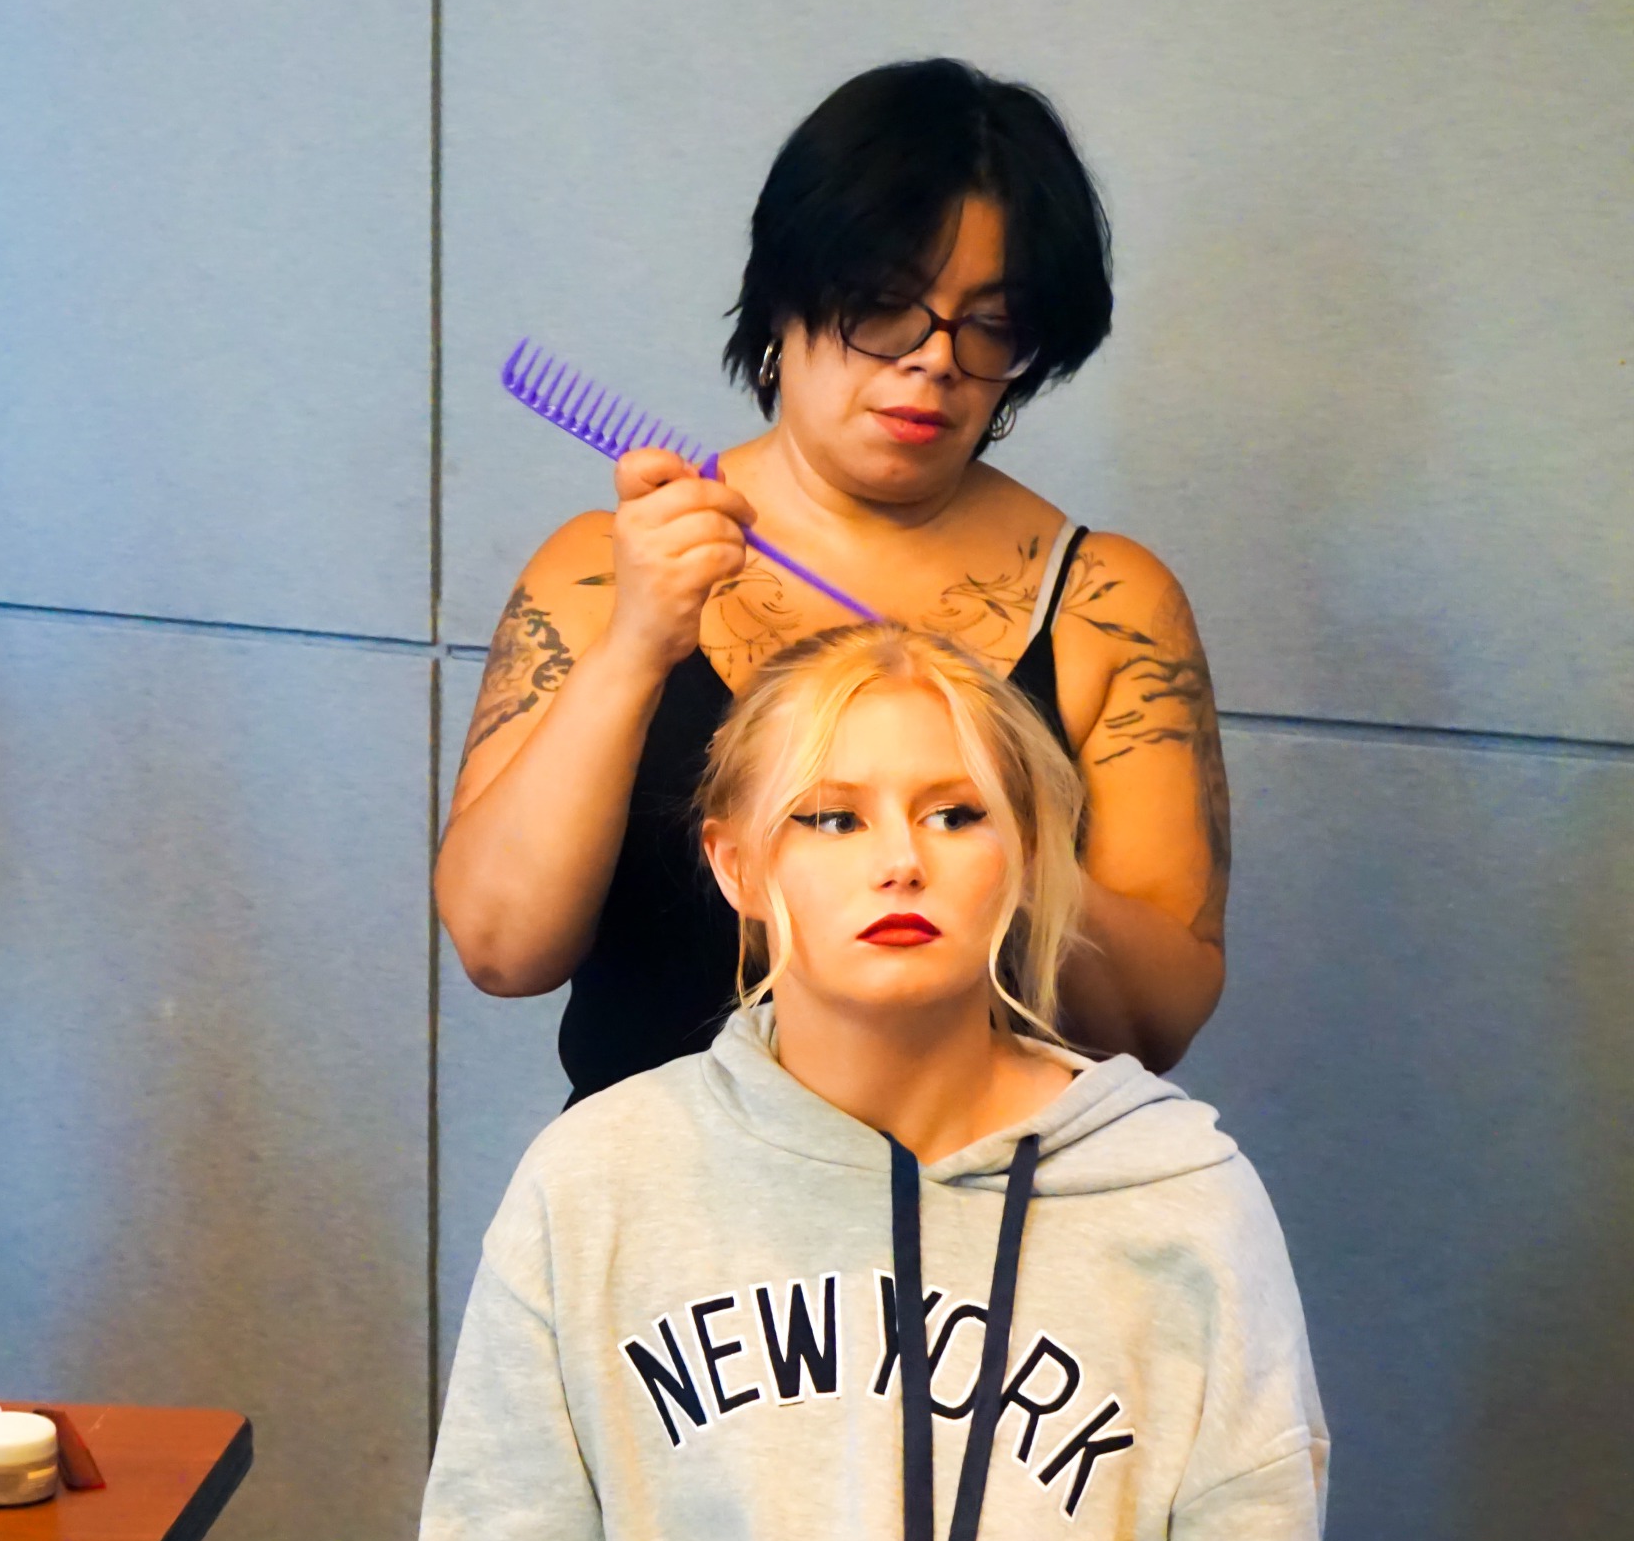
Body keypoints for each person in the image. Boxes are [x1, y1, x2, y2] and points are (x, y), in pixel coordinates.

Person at [415, 623, 1324, 1541]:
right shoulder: (599, 1181)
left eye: (957, 813)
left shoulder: (1183, 1202)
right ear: (736, 863)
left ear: (1027, 854)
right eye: (831, 818)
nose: (900, 859)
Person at [436, 60, 1229, 1105]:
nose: (935, 361)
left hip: (975, 1231)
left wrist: (991, 826)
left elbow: (1152, 1023)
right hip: (665, 1225)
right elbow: (502, 949)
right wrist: (634, 647)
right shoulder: (600, 570)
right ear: (783, 301)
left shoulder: (1106, 607)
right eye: (886, 307)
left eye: (990, 323)